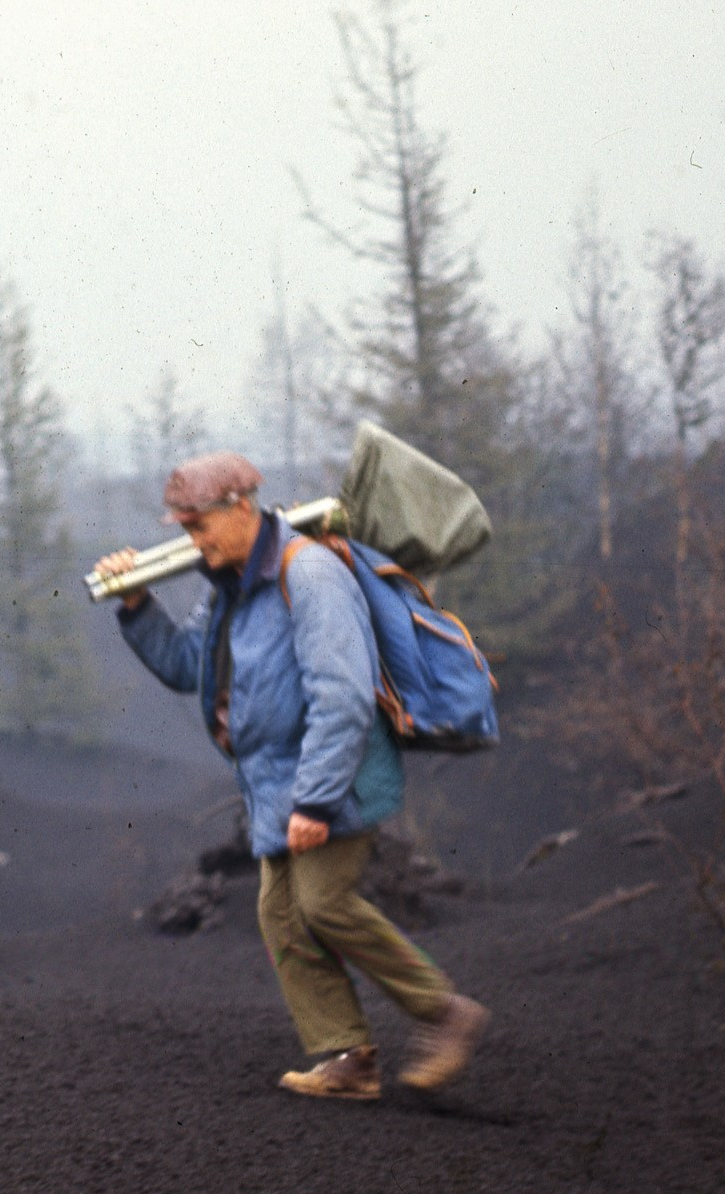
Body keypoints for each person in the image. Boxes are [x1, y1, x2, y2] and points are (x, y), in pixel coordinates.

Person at [93, 451, 488, 1100]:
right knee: (280, 912)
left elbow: (344, 697)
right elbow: (188, 665)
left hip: (337, 776)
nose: (192, 541)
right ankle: (348, 1058)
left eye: (199, 526)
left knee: (322, 902)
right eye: (184, 529)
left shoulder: (308, 575)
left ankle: (445, 1013)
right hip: (278, 783)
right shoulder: (230, 585)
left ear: (240, 508)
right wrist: (136, 602)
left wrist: (316, 801)